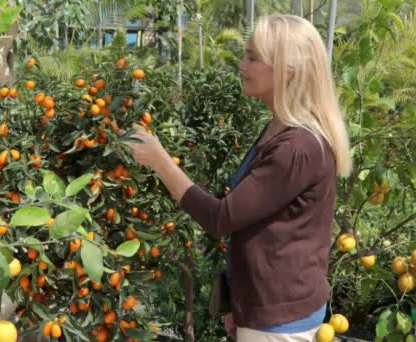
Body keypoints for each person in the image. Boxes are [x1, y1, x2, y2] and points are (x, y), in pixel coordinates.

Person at [124, 15, 352, 342]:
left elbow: (222, 218)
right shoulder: (280, 129)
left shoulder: (298, 147)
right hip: (266, 311)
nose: (242, 65)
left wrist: (160, 162)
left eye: (253, 57)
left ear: (287, 70)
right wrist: (237, 304)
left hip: (279, 323)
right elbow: (257, 224)